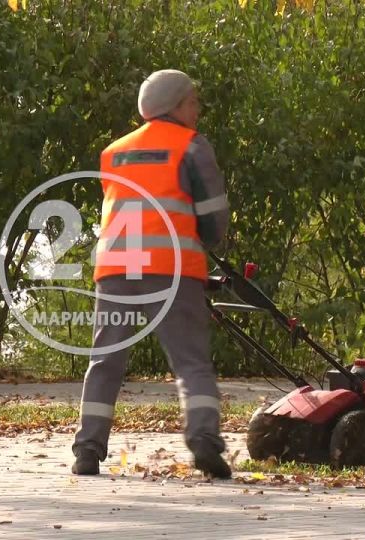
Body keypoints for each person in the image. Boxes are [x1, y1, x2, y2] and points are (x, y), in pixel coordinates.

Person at [71, 69, 231, 478]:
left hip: (117, 268)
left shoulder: (114, 152)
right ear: (175, 106)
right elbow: (213, 216)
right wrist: (208, 245)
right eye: (193, 101)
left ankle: (87, 450)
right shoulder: (192, 147)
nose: (198, 109)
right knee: (191, 362)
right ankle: (204, 441)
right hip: (172, 270)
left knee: (105, 360)